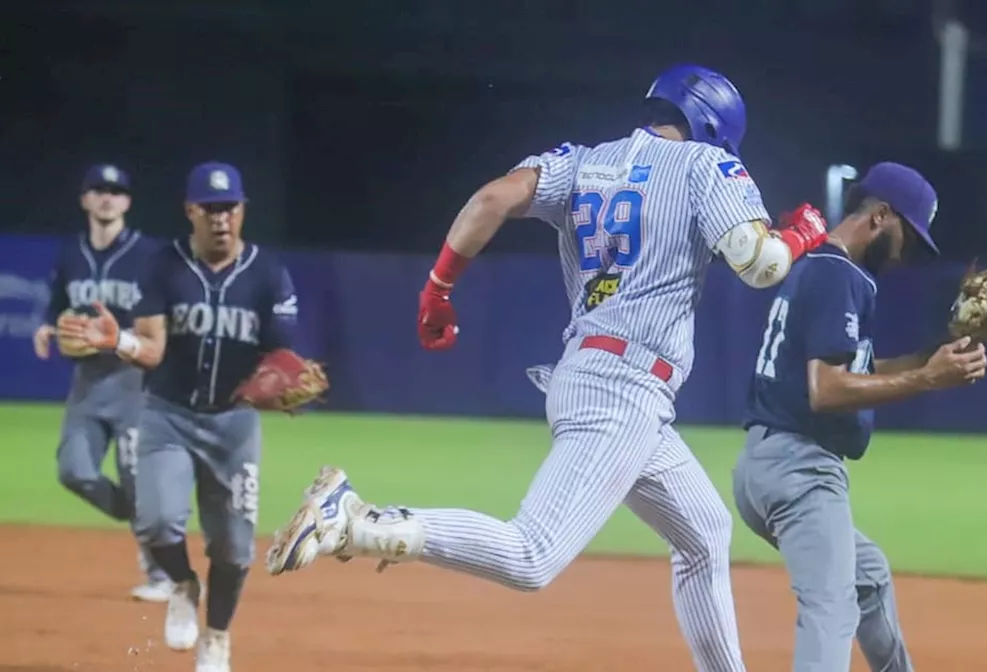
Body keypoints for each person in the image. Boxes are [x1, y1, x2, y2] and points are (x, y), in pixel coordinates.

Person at [265, 64, 828, 672]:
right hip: (625, 389)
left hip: (592, 377)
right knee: (532, 555)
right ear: (713, 127)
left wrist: (437, 288)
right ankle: (358, 522)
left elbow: (490, 199)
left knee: (704, 534)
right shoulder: (704, 164)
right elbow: (758, 262)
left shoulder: (584, 161)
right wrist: (802, 233)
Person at [732, 163, 987, 672]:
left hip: (766, 465)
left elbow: (853, 370)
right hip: (799, 467)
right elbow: (826, 390)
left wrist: (933, 358)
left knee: (866, 575)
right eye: (906, 232)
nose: (907, 247)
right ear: (880, 216)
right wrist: (928, 381)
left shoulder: (821, 265)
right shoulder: (839, 274)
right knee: (830, 610)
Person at [60, 162, 301, 672]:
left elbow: (282, 355)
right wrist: (117, 340)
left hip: (233, 425)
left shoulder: (267, 274)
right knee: (155, 522)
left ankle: (215, 637)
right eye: (209, 208)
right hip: (167, 416)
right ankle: (182, 583)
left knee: (234, 550)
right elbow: (151, 348)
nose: (220, 218)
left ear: (242, 210)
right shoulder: (163, 266)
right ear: (190, 211)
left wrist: (284, 381)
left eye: (229, 207)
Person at [32, 164, 169, 602]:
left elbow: (164, 315)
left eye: (115, 191)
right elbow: (57, 307)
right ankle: (147, 516)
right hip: (87, 384)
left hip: (134, 381)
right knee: (74, 471)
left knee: (135, 476)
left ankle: (162, 572)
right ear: (85, 199)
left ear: (127, 202)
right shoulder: (70, 253)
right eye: (98, 190)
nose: (107, 197)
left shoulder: (149, 254)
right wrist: (45, 327)